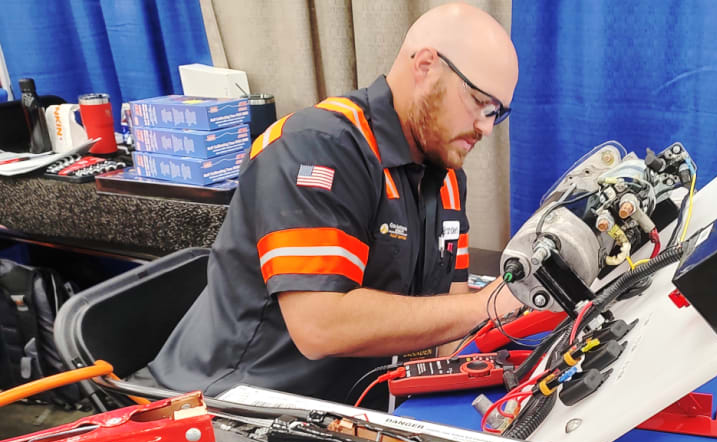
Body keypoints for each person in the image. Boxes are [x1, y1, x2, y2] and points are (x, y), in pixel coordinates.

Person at [142, 3, 521, 408]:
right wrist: (490, 303)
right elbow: (320, 326)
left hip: (347, 405)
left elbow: (450, 319)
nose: (485, 127)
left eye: (497, 113)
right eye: (480, 102)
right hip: (230, 404)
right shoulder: (316, 145)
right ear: (426, 65)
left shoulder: (446, 176)